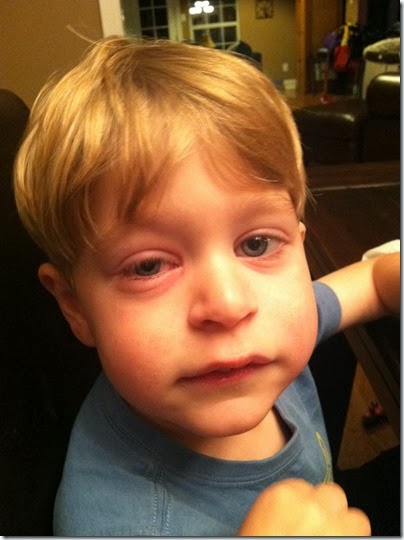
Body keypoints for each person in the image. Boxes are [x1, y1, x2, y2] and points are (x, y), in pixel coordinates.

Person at [13, 37, 399, 536]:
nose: (230, 304)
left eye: (257, 244)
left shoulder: (268, 334)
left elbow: (368, 285)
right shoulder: (115, 522)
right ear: (74, 306)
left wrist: (387, 277)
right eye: (149, 267)